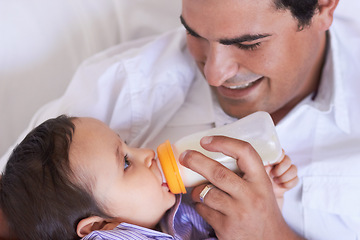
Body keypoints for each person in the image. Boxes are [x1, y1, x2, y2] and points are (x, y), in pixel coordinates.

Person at [1, 0, 360, 239]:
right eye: (195, 34)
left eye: (249, 43)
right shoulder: (123, 91)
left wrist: (272, 227)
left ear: (323, 6)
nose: (215, 75)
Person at [0, 115, 298, 239]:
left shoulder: (174, 212)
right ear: (101, 228)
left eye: (126, 143)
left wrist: (270, 197)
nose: (147, 153)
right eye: (127, 163)